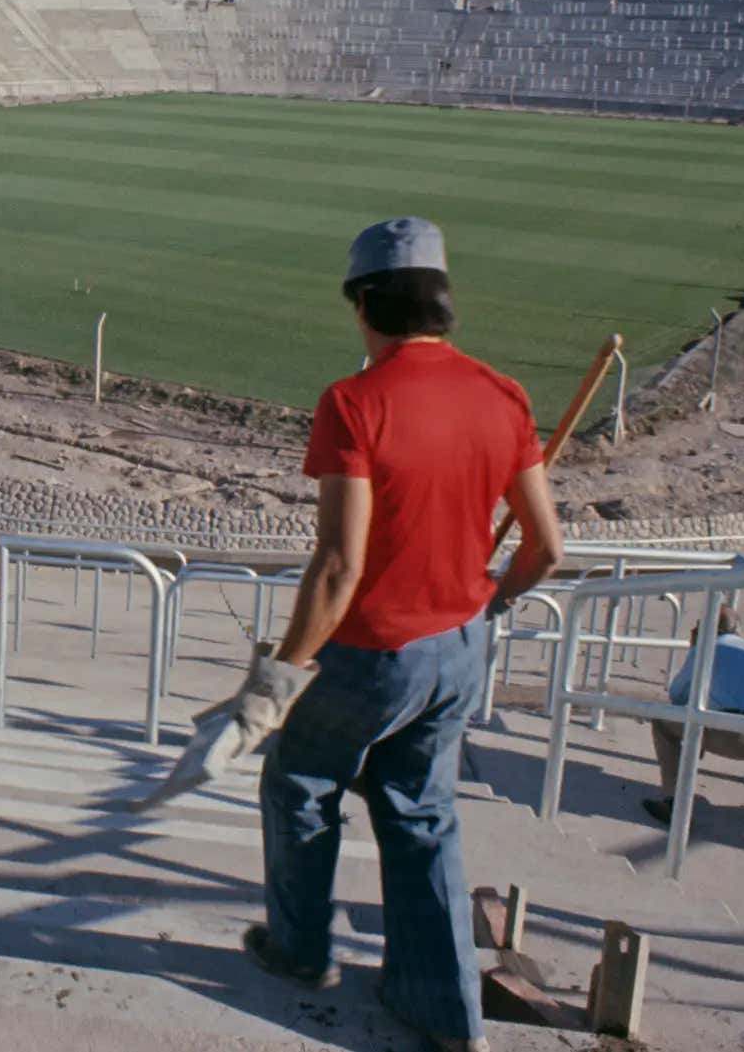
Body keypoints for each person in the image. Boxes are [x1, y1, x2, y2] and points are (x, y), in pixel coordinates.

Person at [225, 217, 562, 1052]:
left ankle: (301, 951)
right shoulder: (503, 394)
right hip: (460, 648)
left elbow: (339, 569)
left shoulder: (354, 402)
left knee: (301, 782)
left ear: (366, 303)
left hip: (372, 652)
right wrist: (488, 603)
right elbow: (547, 547)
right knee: (423, 815)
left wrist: (284, 674)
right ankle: (445, 1010)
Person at [642, 606, 744, 833]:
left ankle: (672, 802)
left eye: (698, 625)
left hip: (731, 737)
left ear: (707, 629)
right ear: (736, 628)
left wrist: (694, 650)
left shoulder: (705, 649)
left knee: (663, 720)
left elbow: (677, 695)